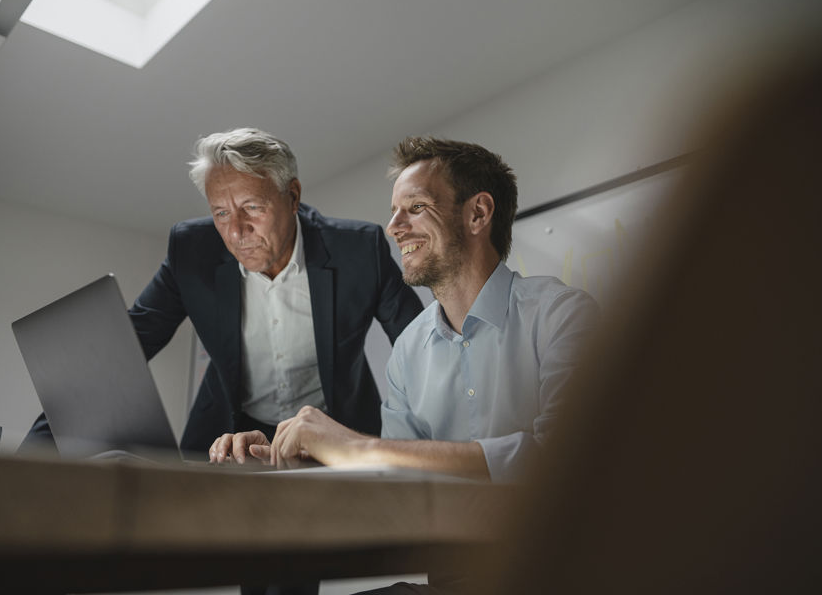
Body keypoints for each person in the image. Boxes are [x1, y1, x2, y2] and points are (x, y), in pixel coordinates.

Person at [215, 136, 598, 488]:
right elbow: (399, 483)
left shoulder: (561, 317)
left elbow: (566, 459)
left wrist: (357, 447)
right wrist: (294, 458)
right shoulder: (407, 352)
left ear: (478, 213)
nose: (394, 227)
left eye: (415, 208)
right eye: (394, 211)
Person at [22, 128, 423, 461]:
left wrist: (430, 450)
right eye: (221, 213)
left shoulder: (359, 249)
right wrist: (30, 458)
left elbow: (419, 350)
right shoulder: (191, 250)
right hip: (224, 437)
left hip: (334, 432)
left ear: (293, 196)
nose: (236, 232)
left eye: (252, 207)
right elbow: (117, 355)